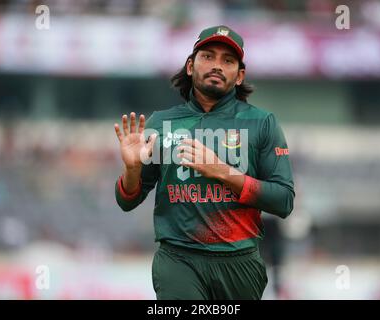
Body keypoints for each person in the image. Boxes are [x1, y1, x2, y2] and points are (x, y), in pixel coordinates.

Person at [114, 25, 295, 300]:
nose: (217, 66)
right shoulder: (161, 123)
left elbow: (283, 201)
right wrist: (132, 170)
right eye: (208, 56)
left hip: (240, 261)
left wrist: (221, 172)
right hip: (178, 259)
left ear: (239, 76)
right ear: (190, 66)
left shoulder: (262, 123)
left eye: (228, 60)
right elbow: (127, 200)